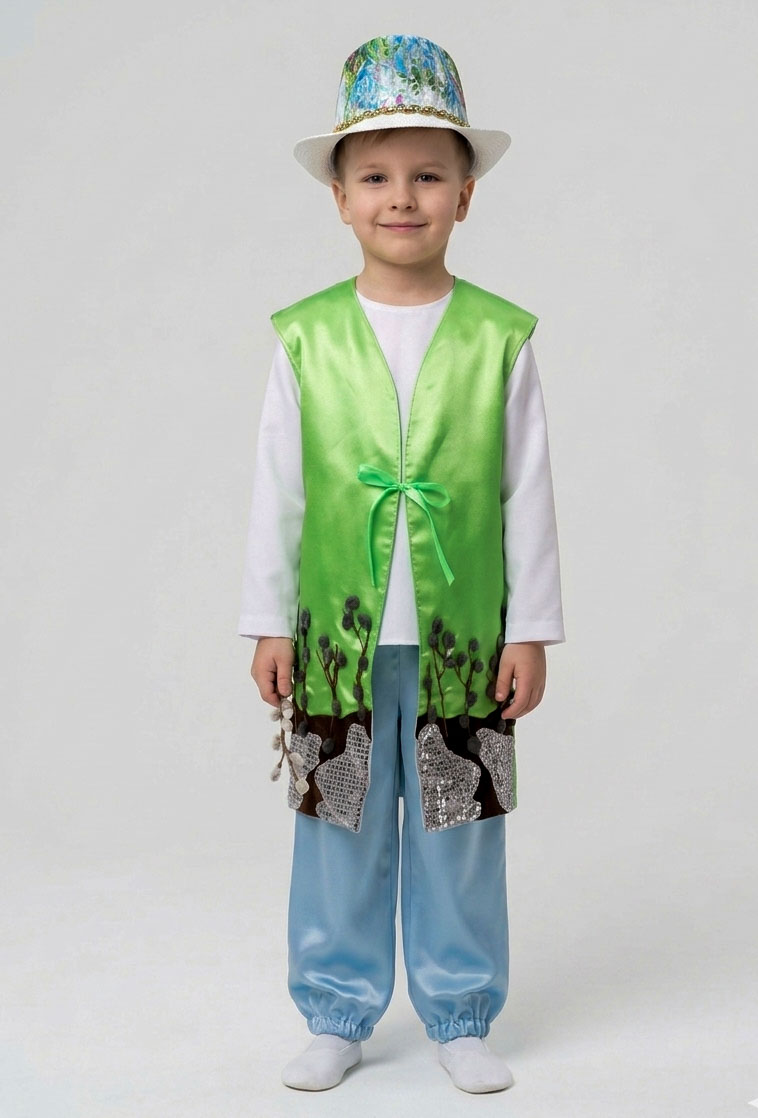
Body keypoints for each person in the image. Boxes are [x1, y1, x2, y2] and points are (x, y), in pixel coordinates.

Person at [237, 34, 565, 1094]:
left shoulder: (498, 338)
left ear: (464, 194)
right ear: (339, 198)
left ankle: (460, 1010)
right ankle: (335, 1008)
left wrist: (530, 629)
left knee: (458, 825)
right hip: (337, 632)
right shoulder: (307, 338)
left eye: (427, 175)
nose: (402, 197)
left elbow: (525, 493)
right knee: (338, 822)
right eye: (374, 176)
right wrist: (268, 621)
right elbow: (280, 490)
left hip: (463, 632)